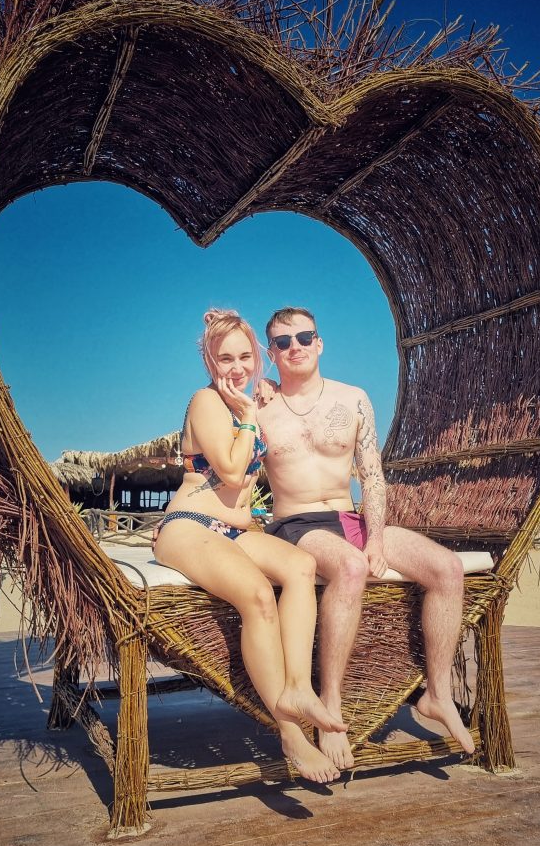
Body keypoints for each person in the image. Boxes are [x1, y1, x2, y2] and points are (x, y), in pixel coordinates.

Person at [258, 306, 475, 771]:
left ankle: (437, 694)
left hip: (349, 518)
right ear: (271, 353)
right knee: (352, 567)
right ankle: (329, 706)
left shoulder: (353, 399)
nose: (294, 346)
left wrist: (375, 534)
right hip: (295, 525)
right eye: (281, 342)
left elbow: (372, 477)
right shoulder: (260, 407)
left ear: (319, 343)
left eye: (303, 337)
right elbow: (223, 464)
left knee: (447, 569)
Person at [153, 309, 346, 783]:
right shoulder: (207, 402)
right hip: (189, 523)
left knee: (300, 566)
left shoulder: (255, 399)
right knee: (258, 595)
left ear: (257, 357)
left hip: (236, 529)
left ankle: (298, 687)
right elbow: (234, 472)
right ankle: (290, 733)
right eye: (224, 358)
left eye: (244, 356)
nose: (236, 367)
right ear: (209, 360)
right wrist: (245, 416)